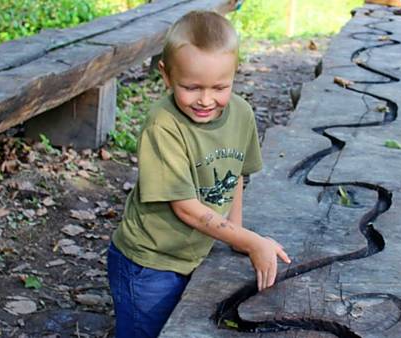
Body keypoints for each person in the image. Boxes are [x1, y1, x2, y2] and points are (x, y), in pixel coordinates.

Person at [106, 10, 291, 338]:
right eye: (191, 87)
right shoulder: (164, 126)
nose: (206, 100)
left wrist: (235, 232)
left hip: (195, 253)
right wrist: (250, 242)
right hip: (150, 263)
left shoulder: (242, 114)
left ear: (235, 72)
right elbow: (186, 208)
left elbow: (234, 179)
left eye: (220, 87)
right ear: (166, 75)